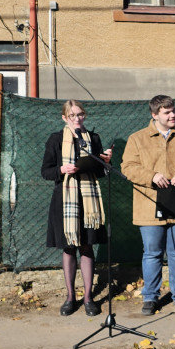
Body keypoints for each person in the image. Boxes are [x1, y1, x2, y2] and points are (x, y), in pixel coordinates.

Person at [120, 95, 175, 316]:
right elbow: (128, 167)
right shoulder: (137, 138)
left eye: (173, 110)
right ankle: (150, 298)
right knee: (152, 253)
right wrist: (152, 176)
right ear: (154, 115)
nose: (173, 115)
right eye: (167, 112)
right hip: (149, 206)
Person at [40, 100, 112, 316]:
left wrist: (106, 162)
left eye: (80, 114)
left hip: (89, 200)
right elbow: (46, 171)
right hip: (65, 199)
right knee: (69, 247)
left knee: (88, 246)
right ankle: (71, 297)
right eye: (72, 115)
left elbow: (99, 172)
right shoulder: (55, 139)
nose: (78, 118)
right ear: (64, 118)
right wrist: (62, 169)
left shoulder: (94, 139)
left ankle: (89, 298)